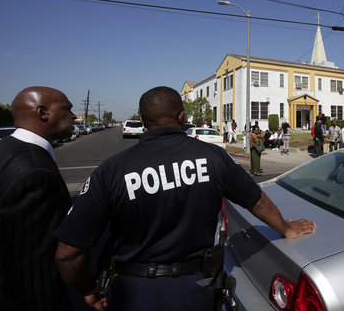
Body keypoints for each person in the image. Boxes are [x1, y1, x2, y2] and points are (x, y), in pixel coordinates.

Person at [54, 87, 315, 310]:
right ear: (181, 116)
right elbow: (256, 201)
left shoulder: (111, 170)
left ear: (142, 121)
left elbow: (67, 253)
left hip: (133, 292)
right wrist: (286, 228)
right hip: (196, 288)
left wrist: (88, 289)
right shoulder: (214, 157)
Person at [0, 86, 76, 311]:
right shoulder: (35, 173)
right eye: (67, 109)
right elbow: (36, 269)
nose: (73, 115)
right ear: (43, 113)